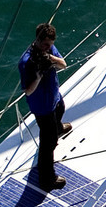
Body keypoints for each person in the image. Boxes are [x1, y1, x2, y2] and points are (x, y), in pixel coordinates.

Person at [18, 23, 69, 191]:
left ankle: (58, 127)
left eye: (51, 44)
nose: (49, 47)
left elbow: (63, 64)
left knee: (61, 109)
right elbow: (28, 91)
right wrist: (38, 75)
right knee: (48, 144)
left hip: (54, 97)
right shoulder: (26, 62)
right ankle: (47, 179)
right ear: (38, 40)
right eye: (46, 44)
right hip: (42, 107)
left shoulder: (49, 50)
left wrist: (51, 59)